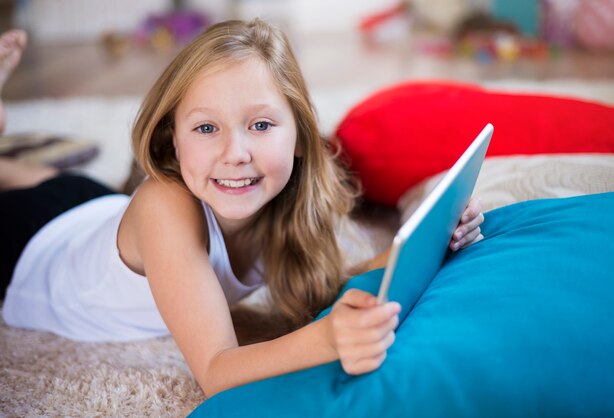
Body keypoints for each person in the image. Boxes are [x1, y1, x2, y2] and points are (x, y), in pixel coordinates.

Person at [0, 20, 484, 398]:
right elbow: (215, 370)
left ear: (299, 137)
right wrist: (326, 339)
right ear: (173, 140)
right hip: (25, 244)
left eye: (260, 125)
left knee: (60, 182)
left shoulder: (282, 200)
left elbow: (337, 277)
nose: (236, 153)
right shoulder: (165, 205)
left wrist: (428, 235)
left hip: (98, 208)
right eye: (207, 128)